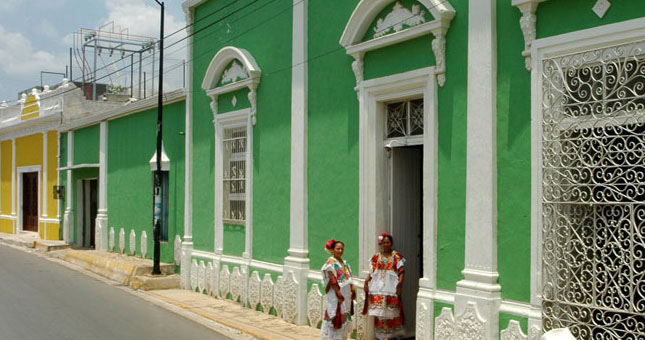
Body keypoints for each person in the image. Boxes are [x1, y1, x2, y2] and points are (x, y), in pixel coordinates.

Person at [362, 233, 405, 339]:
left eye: (388, 242)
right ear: (382, 244)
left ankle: (389, 336)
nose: (386, 244)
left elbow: (401, 271)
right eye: (384, 242)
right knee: (380, 313)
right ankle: (381, 336)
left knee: (389, 313)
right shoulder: (377, 256)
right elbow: (372, 272)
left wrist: (400, 284)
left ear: (391, 243)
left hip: (391, 287)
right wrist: (366, 282)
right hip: (378, 288)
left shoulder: (396, 256)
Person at [320, 239, 356, 340]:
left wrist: (352, 289)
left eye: (342, 249)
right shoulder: (330, 263)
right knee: (335, 315)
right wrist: (338, 293)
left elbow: (349, 277)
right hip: (337, 295)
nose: (340, 251)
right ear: (332, 250)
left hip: (346, 293)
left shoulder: (343, 262)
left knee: (344, 315)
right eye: (338, 249)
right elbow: (332, 280)